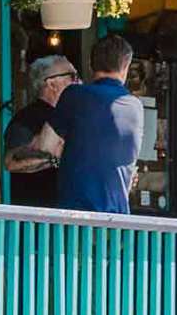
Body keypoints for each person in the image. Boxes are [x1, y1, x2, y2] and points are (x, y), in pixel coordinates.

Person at [47, 33, 148, 215]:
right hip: (117, 219)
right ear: (125, 66)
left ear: (90, 64)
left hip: (76, 216)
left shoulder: (75, 95)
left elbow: (46, 145)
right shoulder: (135, 107)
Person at [3, 54, 75, 207]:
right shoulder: (27, 119)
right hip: (35, 217)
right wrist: (57, 158)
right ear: (51, 83)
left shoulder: (67, 116)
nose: (77, 82)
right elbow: (12, 162)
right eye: (71, 76)